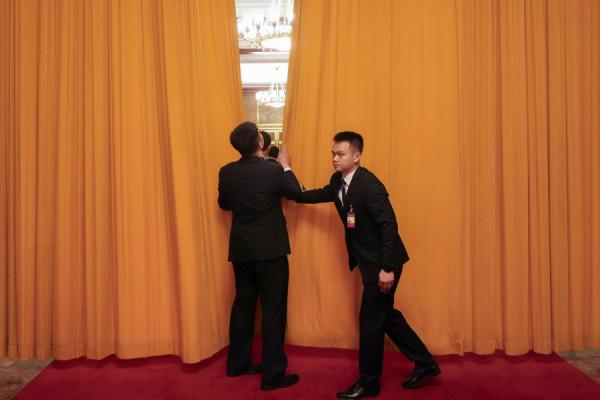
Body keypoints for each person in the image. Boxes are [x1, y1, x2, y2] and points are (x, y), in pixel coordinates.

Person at [282, 131, 440, 399]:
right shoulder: (337, 182)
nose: (334, 158)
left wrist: (387, 268)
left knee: (370, 322)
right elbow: (305, 196)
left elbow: (389, 226)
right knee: (385, 316)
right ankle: (426, 363)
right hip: (369, 263)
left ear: (356, 157)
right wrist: (286, 169)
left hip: (383, 264)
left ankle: (369, 383)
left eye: (340, 154)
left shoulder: (369, 185)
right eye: (333, 153)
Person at [218, 121, 301, 391]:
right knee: (272, 310)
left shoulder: (226, 172)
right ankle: (273, 374)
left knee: (243, 305)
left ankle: (237, 364)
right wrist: (286, 166)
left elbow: (225, 204)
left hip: (242, 250)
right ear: (261, 143)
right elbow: (296, 192)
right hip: (270, 251)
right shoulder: (272, 171)